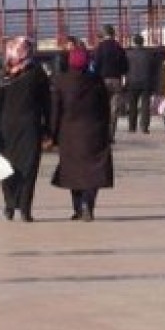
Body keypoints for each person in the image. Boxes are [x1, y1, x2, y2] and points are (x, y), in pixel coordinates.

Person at [0, 37, 51, 222]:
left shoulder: (3, 75)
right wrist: (50, 129)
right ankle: (25, 208)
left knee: (6, 168)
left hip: (6, 128)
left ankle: (9, 205)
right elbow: (47, 103)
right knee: (29, 169)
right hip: (30, 127)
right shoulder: (37, 73)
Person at [50, 45, 113, 222]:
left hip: (69, 134)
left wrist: (52, 134)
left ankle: (78, 208)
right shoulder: (97, 81)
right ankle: (88, 204)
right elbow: (105, 108)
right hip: (95, 132)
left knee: (73, 172)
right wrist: (106, 130)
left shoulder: (61, 81)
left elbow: (55, 111)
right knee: (93, 172)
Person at [92, 25, 130, 140]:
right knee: (114, 110)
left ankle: (101, 133)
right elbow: (125, 67)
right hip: (116, 80)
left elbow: (96, 64)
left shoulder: (100, 47)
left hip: (103, 80)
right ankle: (110, 135)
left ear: (103, 34)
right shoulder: (119, 47)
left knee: (102, 108)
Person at [124, 34, 158, 134]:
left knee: (132, 105)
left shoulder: (128, 54)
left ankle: (132, 127)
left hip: (132, 82)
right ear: (143, 42)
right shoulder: (149, 54)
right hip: (145, 82)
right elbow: (153, 70)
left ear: (134, 42)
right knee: (145, 105)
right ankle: (144, 127)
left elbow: (125, 68)